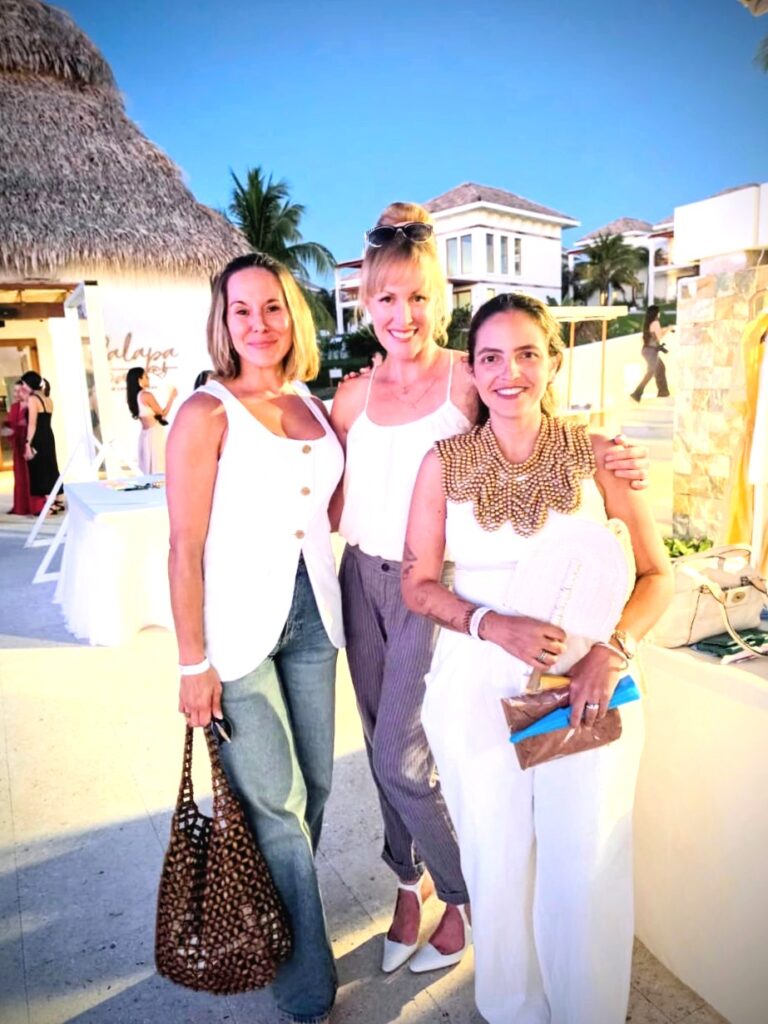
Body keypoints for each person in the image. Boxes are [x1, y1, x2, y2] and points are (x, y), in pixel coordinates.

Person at [329, 202, 651, 975]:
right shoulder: (352, 394)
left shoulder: (466, 378)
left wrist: (606, 454)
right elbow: (332, 492)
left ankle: (466, 897)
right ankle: (407, 883)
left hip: (431, 584)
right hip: (360, 575)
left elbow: (526, 429)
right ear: (364, 303)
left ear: (441, 301)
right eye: (386, 298)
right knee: (379, 746)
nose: (402, 314)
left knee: (403, 758)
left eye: (418, 296)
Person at [401, 292, 673, 1023]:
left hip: (581, 687)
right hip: (476, 684)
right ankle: (514, 1009)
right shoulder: (442, 464)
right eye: (491, 357)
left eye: (527, 354)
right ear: (472, 369)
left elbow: (658, 574)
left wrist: (612, 652)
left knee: (583, 864)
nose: (509, 372)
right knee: (496, 857)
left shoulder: (599, 455)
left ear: (553, 361)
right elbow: (417, 584)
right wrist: (493, 625)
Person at [166, 252, 344, 1024]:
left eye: (273, 307)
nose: (260, 323)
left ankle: (273, 918)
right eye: (242, 310)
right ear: (224, 322)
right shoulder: (204, 413)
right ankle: (305, 987)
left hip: (316, 620)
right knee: (277, 802)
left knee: (318, 789)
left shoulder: (312, 404)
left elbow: (335, 507)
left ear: (292, 315)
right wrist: (192, 662)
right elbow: (183, 547)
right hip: (237, 634)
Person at [20, 371, 63, 513]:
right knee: (51, 466)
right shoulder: (47, 398)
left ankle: (49, 503)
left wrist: (27, 442)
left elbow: (32, 424)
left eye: (24, 383)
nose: (23, 386)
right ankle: (58, 499)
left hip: (38, 437)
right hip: (48, 436)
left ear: (29, 383)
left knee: (40, 468)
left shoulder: (33, 399)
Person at [3, 380, 45, 516]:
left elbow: (37, 426)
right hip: (18, 446)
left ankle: (37, 506)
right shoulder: (14, 407)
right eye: (14, 391)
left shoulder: (33, 405)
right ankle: (21, 507)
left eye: (18, 391)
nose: (15, 394)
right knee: (20, 476)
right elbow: (10, 425)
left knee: (32, 476)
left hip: (30, 444)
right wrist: (7, 430)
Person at [125, 367, 177, 473]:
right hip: (154, 434)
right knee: (158, 466)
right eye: (145, 376)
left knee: (147, 468)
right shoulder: (146, 395)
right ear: (139, 379)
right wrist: (171, 397)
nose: (148, 378)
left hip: (145, 435)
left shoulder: (133, 397)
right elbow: (163, 414)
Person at [630, 304, 672, 402]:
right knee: (651, 371)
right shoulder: (655, 323)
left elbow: (654, 335)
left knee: (660, 368)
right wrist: (668, 329)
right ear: (656, 313)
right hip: (651, 351)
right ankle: (637, 393)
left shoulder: (649, 323)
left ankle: (663, 392)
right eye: (658, 312)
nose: (659, 314)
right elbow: (659, 336)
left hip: (647, 350)